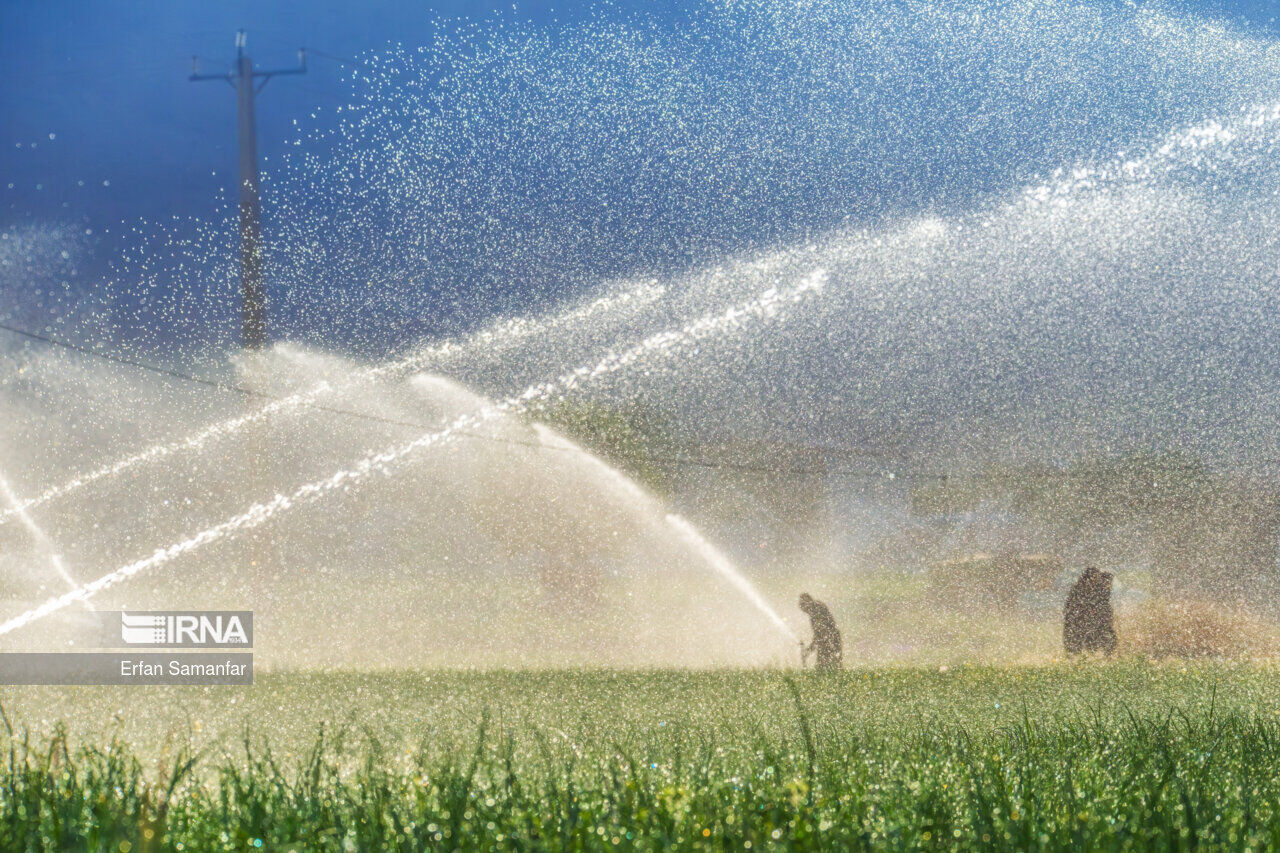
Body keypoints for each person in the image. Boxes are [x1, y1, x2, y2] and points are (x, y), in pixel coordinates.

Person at [1063, 567, 1117, 655]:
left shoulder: (1100, 590)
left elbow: (1104, 607)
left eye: (1097, 578)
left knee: (1105, 640)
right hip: (1079, 623)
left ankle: (1104, 656)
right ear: (1086, 579)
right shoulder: (1078, 591)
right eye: (1093, 578)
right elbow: (1070, 610)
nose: (1095, 581)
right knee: (1077, 645)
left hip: (1096, 623)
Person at [799, 592, 842, 670]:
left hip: (830, 639)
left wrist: (810, 649)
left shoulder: (817, 608)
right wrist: (810, 649)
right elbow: (818, 633)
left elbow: (821, 632)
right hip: (830, 638)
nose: (805, 611)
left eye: (803, 607)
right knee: (830, 667)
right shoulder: (815, 609)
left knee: (828, 668)